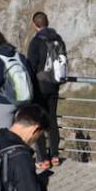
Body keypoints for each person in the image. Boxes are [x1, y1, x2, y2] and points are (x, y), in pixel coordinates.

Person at [26, 12, 68, 167]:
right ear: (47, 22)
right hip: (54, 84)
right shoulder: (58, 38)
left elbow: (31, 66)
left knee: (39, 121)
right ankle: (55, 156)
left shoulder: (36, 42)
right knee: (52, 119)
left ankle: (43, 159)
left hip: (40, 85)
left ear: (34, 24)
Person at [0, 30, 37, 141]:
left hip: (4, 101)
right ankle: (21, 156)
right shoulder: (18, 55)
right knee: (20, 133)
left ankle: (8, 157)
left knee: (5, 134)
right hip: (23, 99)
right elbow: (30, 74)